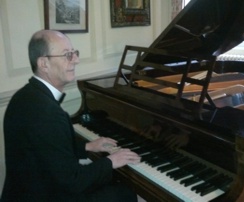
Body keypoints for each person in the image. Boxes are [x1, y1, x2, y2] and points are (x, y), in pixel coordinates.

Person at [1, 30, 141, 201]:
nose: (76, 59)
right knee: (124, 193)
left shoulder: (26, 96)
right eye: (67, 55)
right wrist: (111, 161)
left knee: (113, 183)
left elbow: (49, 150)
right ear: (44, 63)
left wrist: (87, 147)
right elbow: (74, 181)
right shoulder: (47, 113)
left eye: (74, 53)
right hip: (45, 195)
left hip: (25, 191)